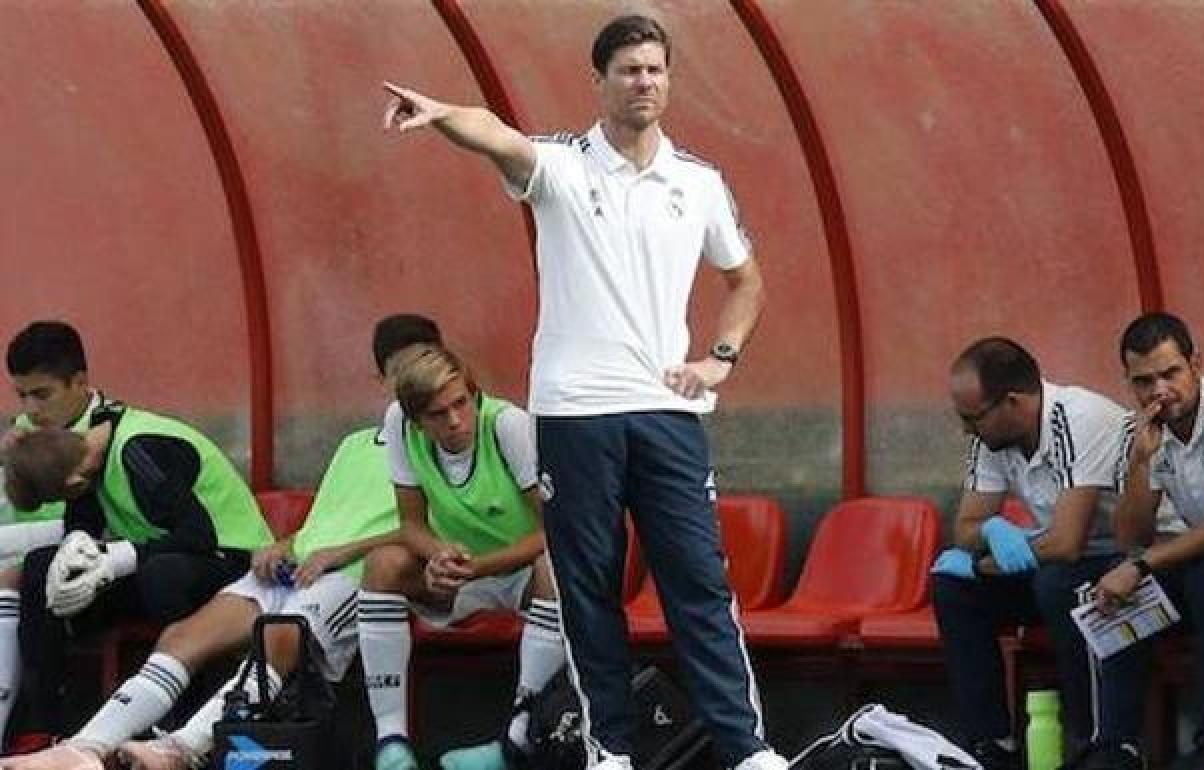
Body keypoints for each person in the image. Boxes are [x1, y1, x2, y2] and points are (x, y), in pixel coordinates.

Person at [381, 13, 777, 770]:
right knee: (587, 590)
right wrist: (438, 116)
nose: (645, 82)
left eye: (656, 69)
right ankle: (611, 752)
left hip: (668, 413)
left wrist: (720, 357)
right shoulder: (561, 165)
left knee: (699, 583)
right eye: (628, 70)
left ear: (670, 80)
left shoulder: (698, 182)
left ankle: (748, 749)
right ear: (598, 82)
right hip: (576, 415)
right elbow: (494, 132)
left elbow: (745, 281)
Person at [0, 313, 443, 770]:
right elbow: (327, 524)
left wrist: (339, 554)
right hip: (295, 568)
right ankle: (82, 747)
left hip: (354, 575)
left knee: (280, 634)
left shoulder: (442, 447)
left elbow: (423, 528)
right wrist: (284, 544)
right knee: (183, 635)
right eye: (397, 371)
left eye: (423, 364)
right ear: (382, 379)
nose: (409, 383)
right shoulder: (353, 444)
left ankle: (183, 747)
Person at [1, 395, 274, 748]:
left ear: (72, 484)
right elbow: (83, 520)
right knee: (40, 567)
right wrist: (74, 553)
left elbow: (198, 535)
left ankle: (181, 714)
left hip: (231, 562)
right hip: (158, 562)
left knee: (163, 576)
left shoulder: (140, 451)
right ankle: (44, 727)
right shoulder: (85, 453)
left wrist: (118, 557)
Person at [357, 344, 563, 770]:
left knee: (558, 570)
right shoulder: (397, 424)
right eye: (437, 414)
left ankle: (516, 739)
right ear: (414, 419)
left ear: (474, 394)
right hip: (462, 575)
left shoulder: (509, 426)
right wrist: (439, 557)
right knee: (382, 564)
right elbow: (412, 525)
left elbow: (558, 532)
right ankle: (391, 744)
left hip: (524, 571)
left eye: (461, 403)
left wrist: (475, 568)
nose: (455, 421)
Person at [931, 337, 1128, 770]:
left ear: (1015, 402)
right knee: (953, 587)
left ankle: (1095, 744)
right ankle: (990, 746)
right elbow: (965, 528)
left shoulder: (1079, 419)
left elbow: (1068, 542)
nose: (966, 429)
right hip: (1057, 559)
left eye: (973, 417)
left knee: (1060, 583)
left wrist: (986, 559)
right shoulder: (992, 438)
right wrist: (991, 529)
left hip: (1124, 560)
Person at [1088, 313, 1204, 770]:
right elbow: (1129, 536)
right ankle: (1116, 746)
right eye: (1143, 381)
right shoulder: (1144, 431)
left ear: (1195, 365)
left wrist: (1141, 564)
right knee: (1115, 596)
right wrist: (1140, 462)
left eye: (1170, 374)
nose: (1158, 391)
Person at [0, 321, 106, 750]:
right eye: (21, 395)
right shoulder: (21, 433)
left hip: (92, 562)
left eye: (41, 395)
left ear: (79, 382)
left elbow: (89, 528)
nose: (30, 408)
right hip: (33, 558)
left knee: (11, 578)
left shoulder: (107, 432)